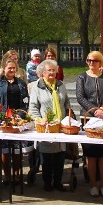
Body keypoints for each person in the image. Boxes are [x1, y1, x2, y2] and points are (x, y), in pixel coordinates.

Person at [28, 59, 72, 192]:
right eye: (49, 70)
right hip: (45, 127)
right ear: (42, 73)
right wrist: (39, 120)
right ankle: (47, 182)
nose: (52, 72)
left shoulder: (61, 85)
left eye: (54, 70)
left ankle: (58, 182)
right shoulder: (37, 86)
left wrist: (69, 118)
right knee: (47, 156)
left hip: (60, 126)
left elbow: (67, 103)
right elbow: (33, 107)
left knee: (60, 155)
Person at [76, 51, 103, 197]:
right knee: (91, 154)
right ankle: (93, 184)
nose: (91, 63)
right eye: (89, 60)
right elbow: (80, 97)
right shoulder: (82, 76)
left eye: (94, 61)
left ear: (100, 62)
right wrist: (94, 111)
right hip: (88, 118)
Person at [0, 58, 30, 184]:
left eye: (14, 68)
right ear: (4, 69)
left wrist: (18, 115)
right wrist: (2, 115)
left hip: (18, 119)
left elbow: (25, 101)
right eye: (9, 68)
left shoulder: (21, 83)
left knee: (17, 149)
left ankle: (17, 174)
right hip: (3, 118)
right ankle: (7, 175)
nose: (11, 70)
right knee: (5, 148)